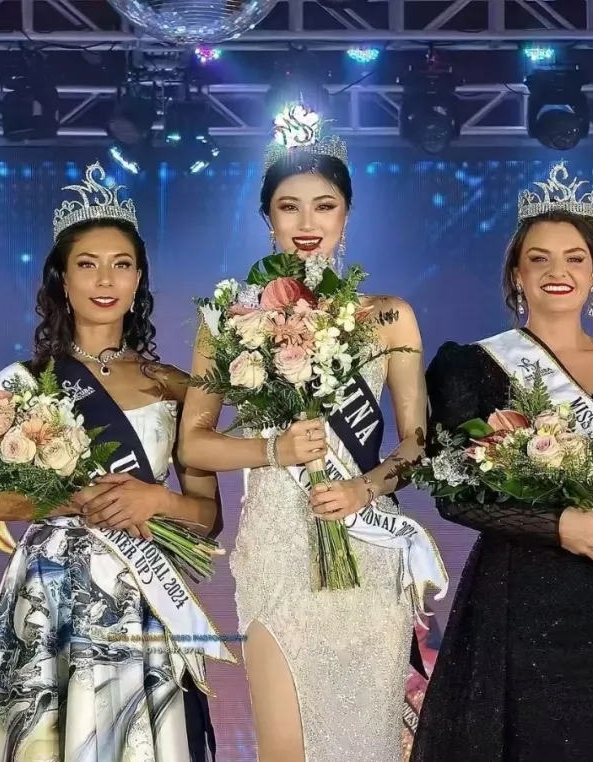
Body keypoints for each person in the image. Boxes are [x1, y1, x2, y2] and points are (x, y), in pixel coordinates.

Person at [411, 162, 593, 762]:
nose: (558, 272)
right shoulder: (471, 367)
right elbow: (453, 493)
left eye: (574, 258)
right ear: (516, 275)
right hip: (516, 600)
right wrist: (558, 524)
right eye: (539, 259)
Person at [178, 106, 442, 762]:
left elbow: (417, 443)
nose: (307, 223)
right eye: (288, 206)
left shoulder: (389, 316)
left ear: (346, 216)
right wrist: (272, 449)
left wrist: (364, 489)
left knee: (367, 746)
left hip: (366, 553)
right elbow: (194, 444)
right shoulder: (231, 318)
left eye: (324, 206)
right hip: (277, 554)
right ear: (267, 217)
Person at [0, 162, 229, 762]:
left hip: (142, 594)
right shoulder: (24, 382)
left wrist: (158, 500)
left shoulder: (176, 386)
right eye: (87, 264)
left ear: (138, 279)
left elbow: (208, 519)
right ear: (62, 280)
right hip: (50, 596)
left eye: (121, 264)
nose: (105, 280)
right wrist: (67, 497)